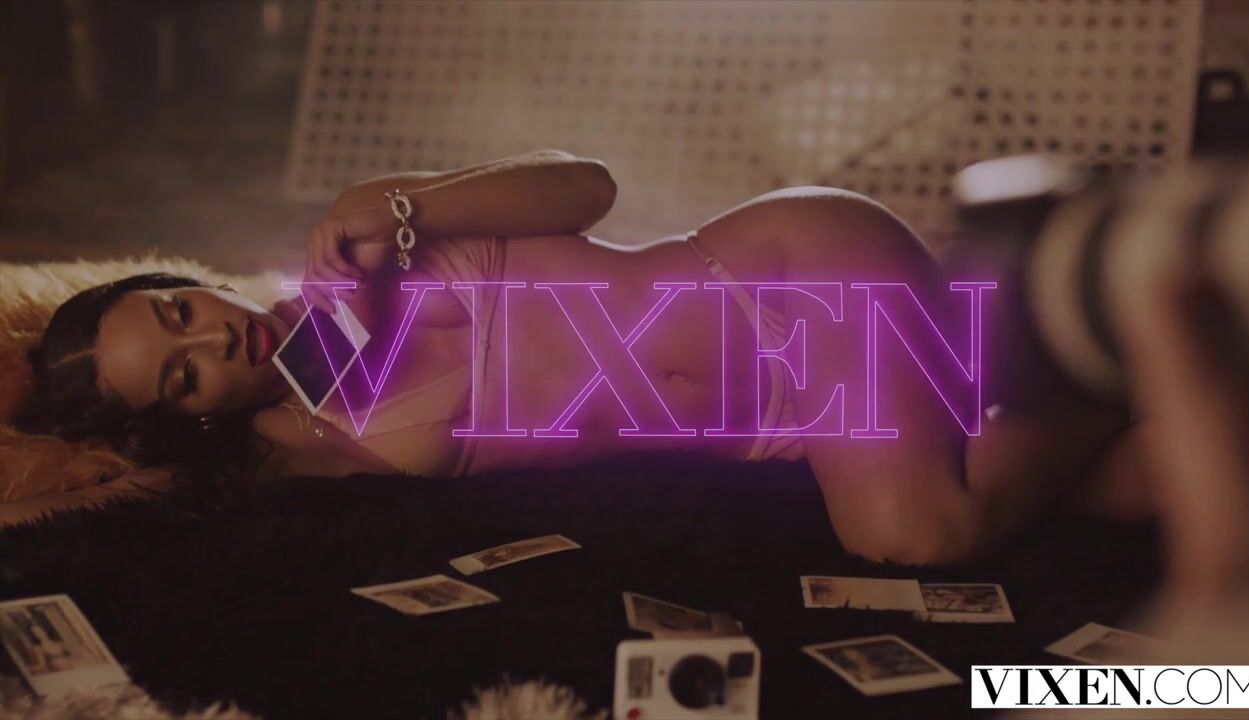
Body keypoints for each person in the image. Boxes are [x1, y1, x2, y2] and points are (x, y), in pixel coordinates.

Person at [4, 149, 1130, 564]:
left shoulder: (364, 245)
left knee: (911, 535)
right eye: (184, 372)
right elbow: (78, 513)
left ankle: (1090, 324)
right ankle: (1138, 361)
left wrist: (407, 200)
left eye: (180, 309)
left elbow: (589, 187)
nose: (212, 335)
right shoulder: (295, 455)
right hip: (784, 429)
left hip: (788, 277)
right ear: (185, 417)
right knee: (1120, 491)